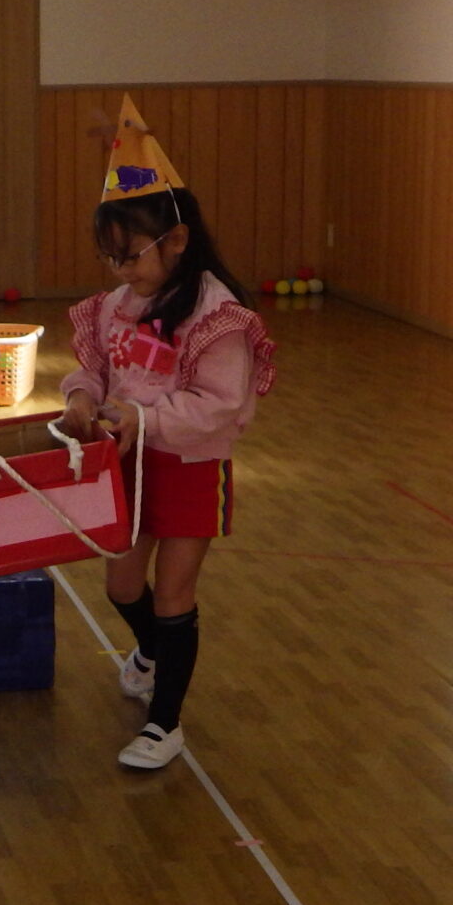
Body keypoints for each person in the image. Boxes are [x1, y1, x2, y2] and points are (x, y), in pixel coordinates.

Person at [55, 96, 275, 771]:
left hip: (190, 467)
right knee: (122, 586)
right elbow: (94, 368)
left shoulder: (215, 314)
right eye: (110, 257)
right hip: (128, 463)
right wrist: (80, 397)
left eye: (130, 256)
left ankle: (165, 723)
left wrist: (143, 416)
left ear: (176, 240)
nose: (120, 270)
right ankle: (150, 652)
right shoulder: (116, 307)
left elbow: (220, 404)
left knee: (175, 592)